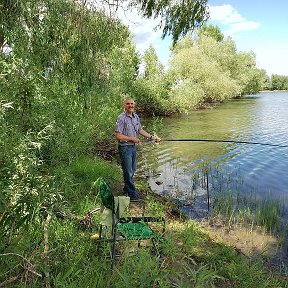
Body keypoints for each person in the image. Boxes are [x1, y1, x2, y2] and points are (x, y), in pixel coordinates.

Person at [115, 97, 161, 200]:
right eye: (128, 104)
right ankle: (132, 195)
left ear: (134, 105)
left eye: (132, 104)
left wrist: (152, 138)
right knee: (128, 171)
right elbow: (118, 136)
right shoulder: (121, 118)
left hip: (133, 147)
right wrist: (131, 138)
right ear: (124, 105)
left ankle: (126, 189)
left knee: (133, 169)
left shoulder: (136, 117)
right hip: (124, 148)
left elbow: (140, 130)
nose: (130, 105)